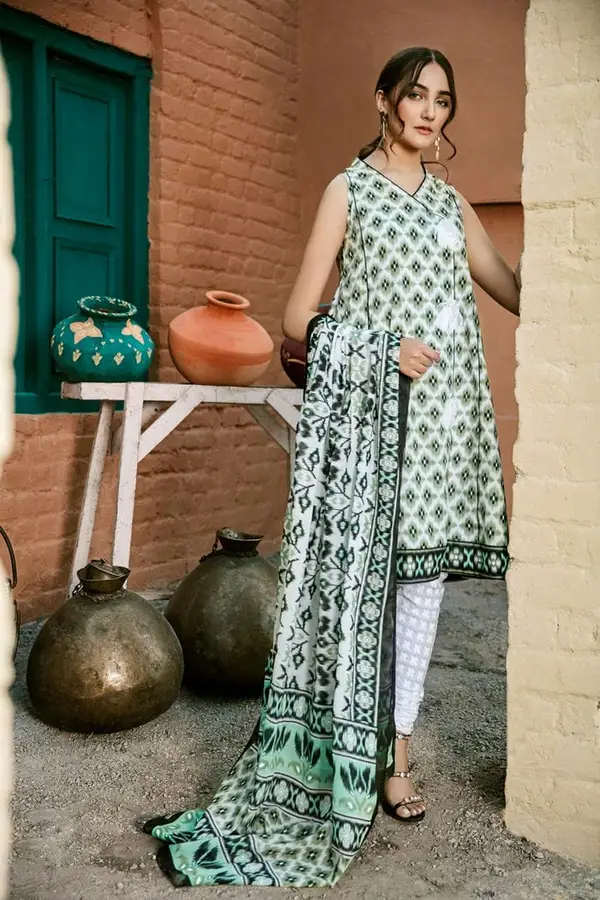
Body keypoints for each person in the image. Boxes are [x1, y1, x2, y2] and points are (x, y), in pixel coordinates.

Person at [143, 46, 520, 888]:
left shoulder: (454, 205)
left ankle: (397, 756)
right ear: (384, 100)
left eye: (443, 100)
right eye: (415, 95)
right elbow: (296, 317)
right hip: (367, 422)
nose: (429, 111)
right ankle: (333, 755)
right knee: (355, 593)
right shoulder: (347, 192)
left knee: (420, 590)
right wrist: (383, 349)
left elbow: (511, 287)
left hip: (444, 425)